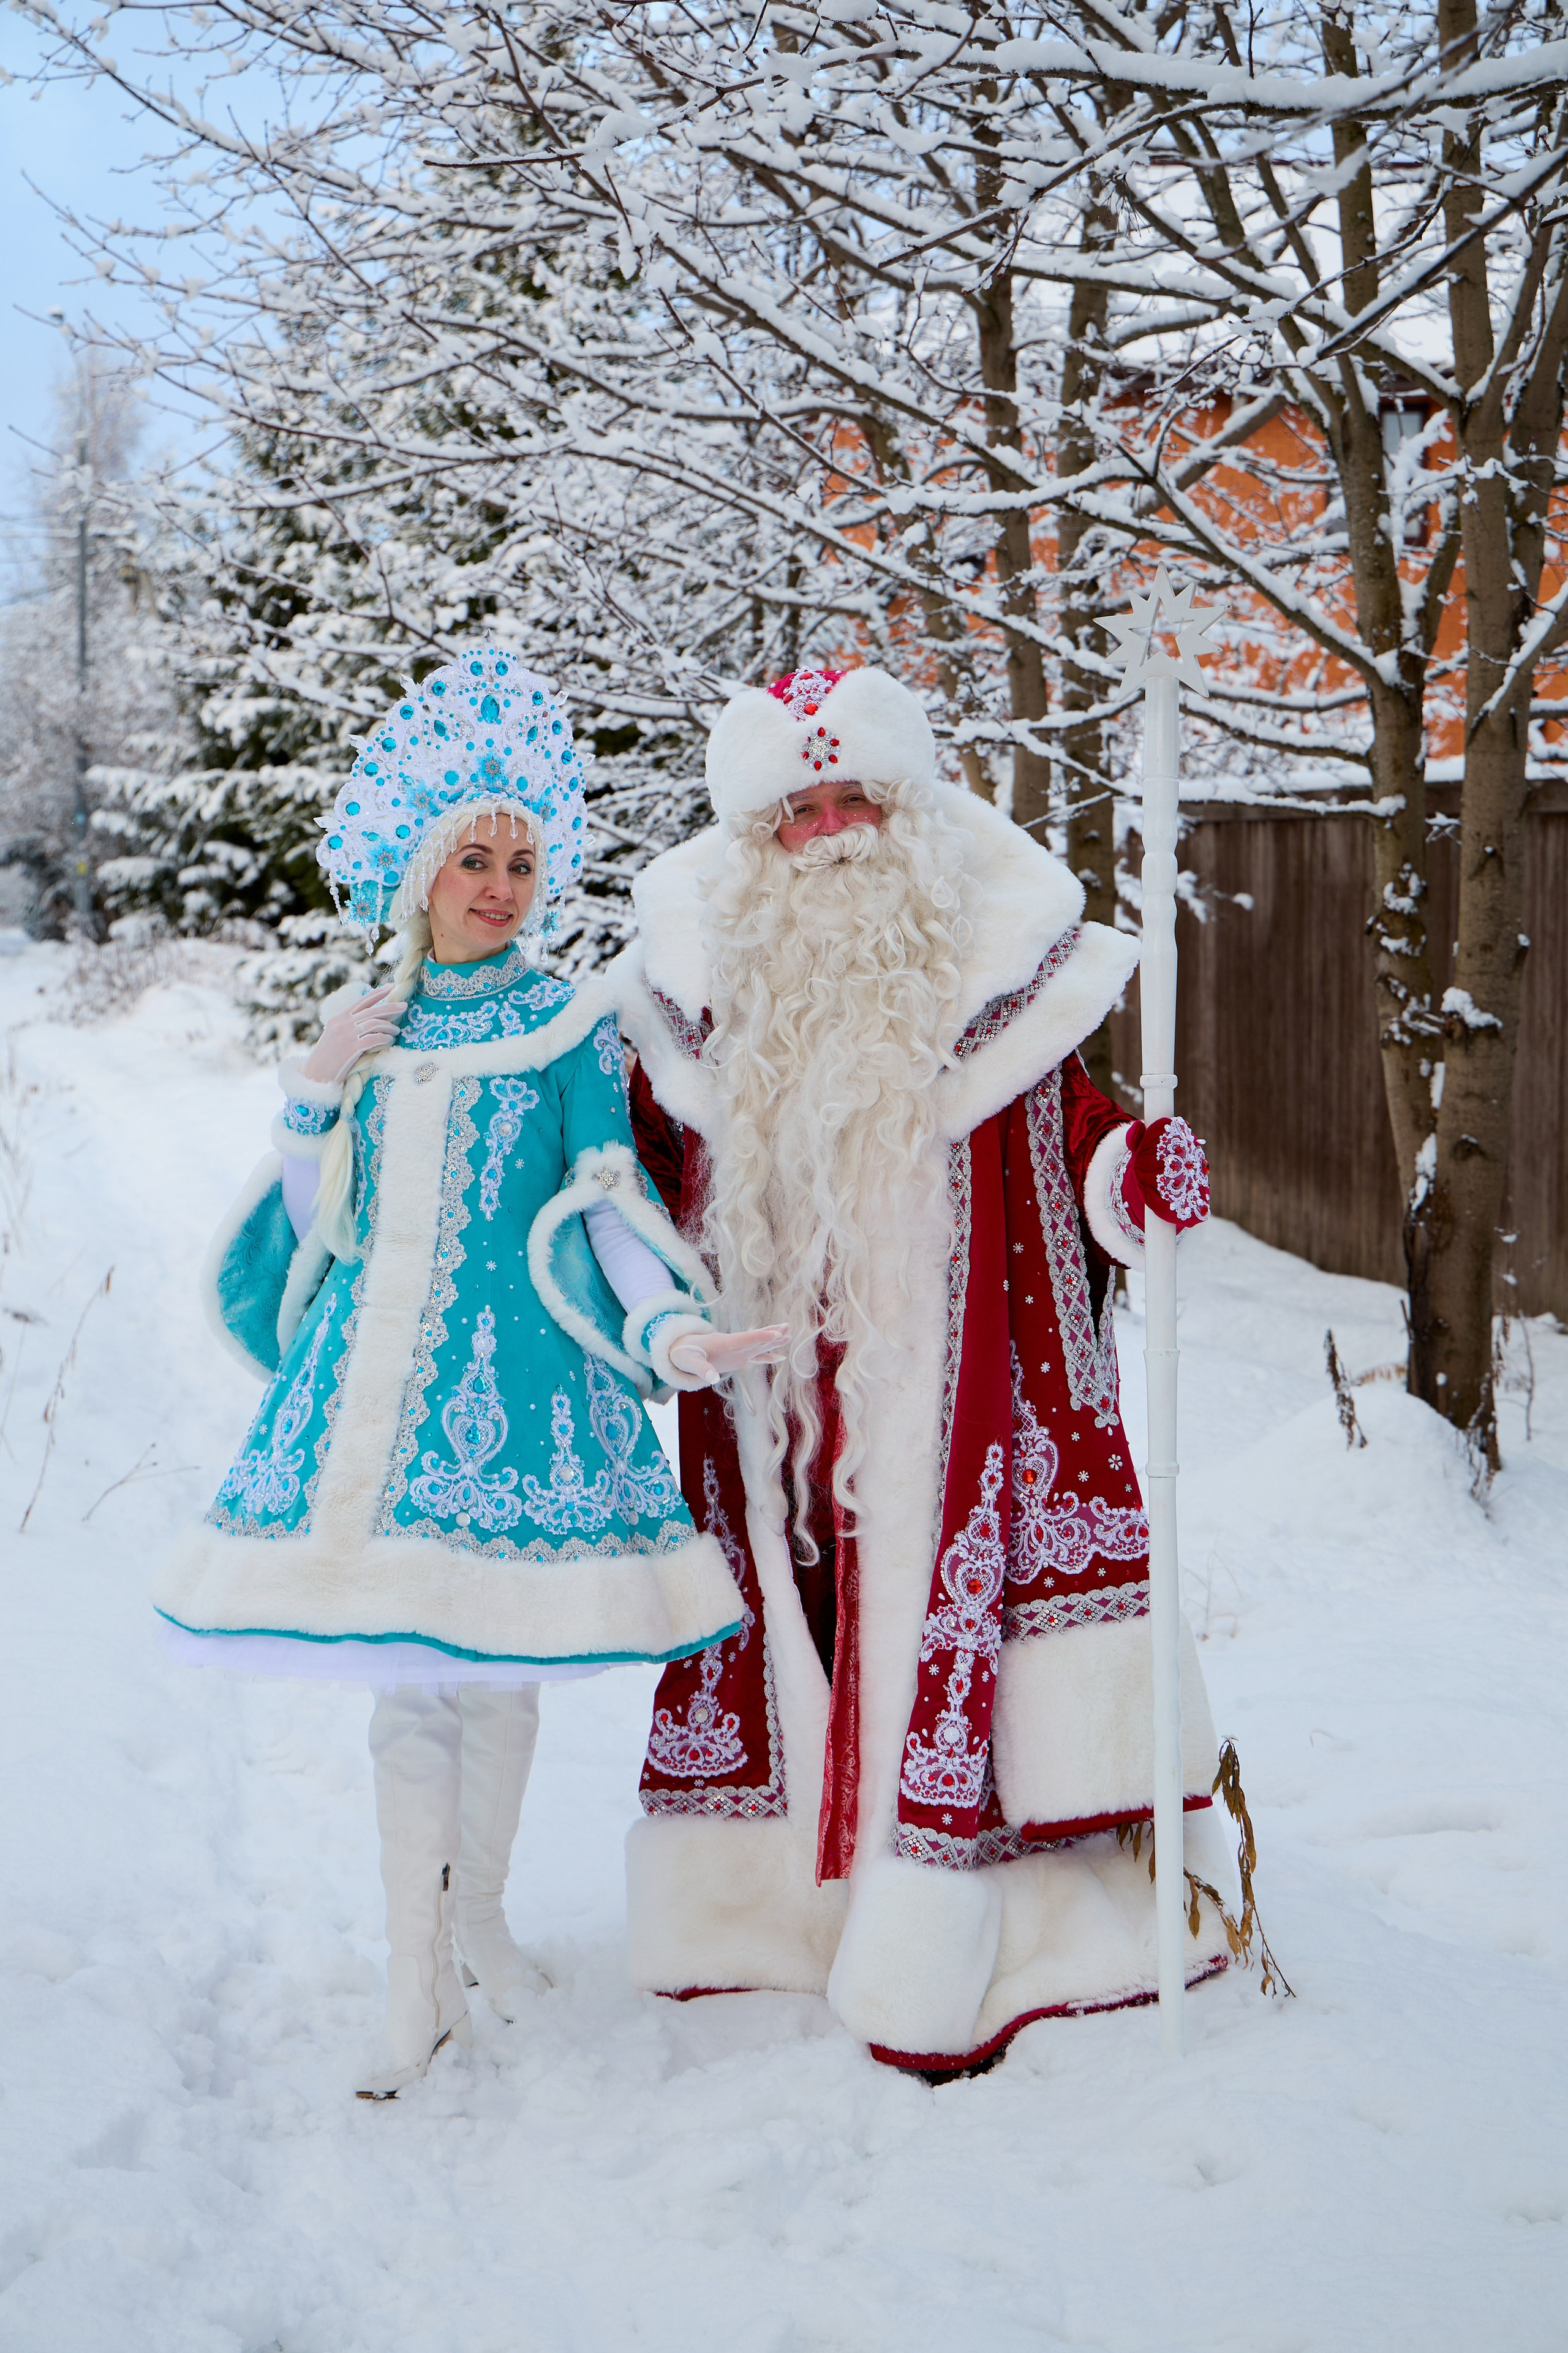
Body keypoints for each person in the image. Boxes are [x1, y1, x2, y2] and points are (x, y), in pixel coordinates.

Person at [156, 645, 783, 2097]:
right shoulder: (371, 1032)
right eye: (472, 859)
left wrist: (665, 1329)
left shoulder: (569, 1025)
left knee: (497, 1680)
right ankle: (413, 1985)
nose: (498, 887)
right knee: (410, 1695)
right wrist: (316, 1087)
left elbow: (607, 1202)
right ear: (420, 870)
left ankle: (481, 1922)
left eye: (520, 861)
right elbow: (321, 1227)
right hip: (372, 1400)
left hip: (522, 1397)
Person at [612, 663, 1235, 2077]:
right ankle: (785, 1914)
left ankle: (959, 1919)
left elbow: (1079, 1135)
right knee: (794, 1634)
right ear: (755, 839)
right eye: (799, 810)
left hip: (948, 1401)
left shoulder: (1000, 984)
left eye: (856, 800)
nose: (830, 832)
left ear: (906, 810)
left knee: (934, 1632)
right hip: (769, 1406)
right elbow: (625, 1184)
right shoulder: (684, 1007)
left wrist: (1131, 1174)